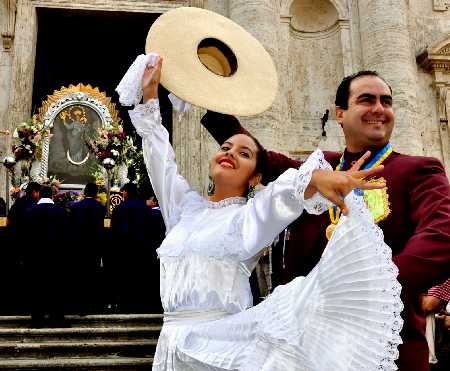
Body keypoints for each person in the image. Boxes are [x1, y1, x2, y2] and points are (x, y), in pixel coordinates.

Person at [124, 56, 404, 370]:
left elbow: (282, 196)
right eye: (226, 147)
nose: (230, 152)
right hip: (170, 347)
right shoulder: (183, 209)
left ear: (256, 177)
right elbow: (159, 155)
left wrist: (314, 179)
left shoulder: (248, 217)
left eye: (244, 153)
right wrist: (150, 97)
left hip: (221, 347)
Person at [201, 70, 450, 371]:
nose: (379, 109)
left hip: (382, 347)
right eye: (366, 100)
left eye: (386, 101)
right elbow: (260, 158)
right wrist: (203, 93)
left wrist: (373, 284)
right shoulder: (318, 168)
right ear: (340, 113)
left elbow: (441, 234)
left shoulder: (417, 169)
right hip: (303, 349)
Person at [108, 182, 165, 313]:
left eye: (123, 192)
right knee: (140, 278)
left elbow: (114, 232)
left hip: (124, 250)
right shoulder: (146, 209)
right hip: (143, 249)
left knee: (125, 278)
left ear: (126, 193)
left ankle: (125, 304)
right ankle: (140, 303)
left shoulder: (119, 208)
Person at [23, 186, 70, 327]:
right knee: (56, 287)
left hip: (35, 257)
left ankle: (37, 318)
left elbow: (25, 237)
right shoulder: (61, 212)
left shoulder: (30, 212)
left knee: (37, 287)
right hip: (56, 257)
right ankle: (57, 317)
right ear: (52, 196)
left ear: (39, 196)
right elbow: (66, 237)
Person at [68, 182, 106, 314]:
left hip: (79, 246)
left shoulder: (75, 207)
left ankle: (79, 306)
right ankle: (93, 305)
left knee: (79, 275)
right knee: (93, 274)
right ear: (96, 193)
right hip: (95, 246)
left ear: (85, 192)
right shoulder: (100, 207)